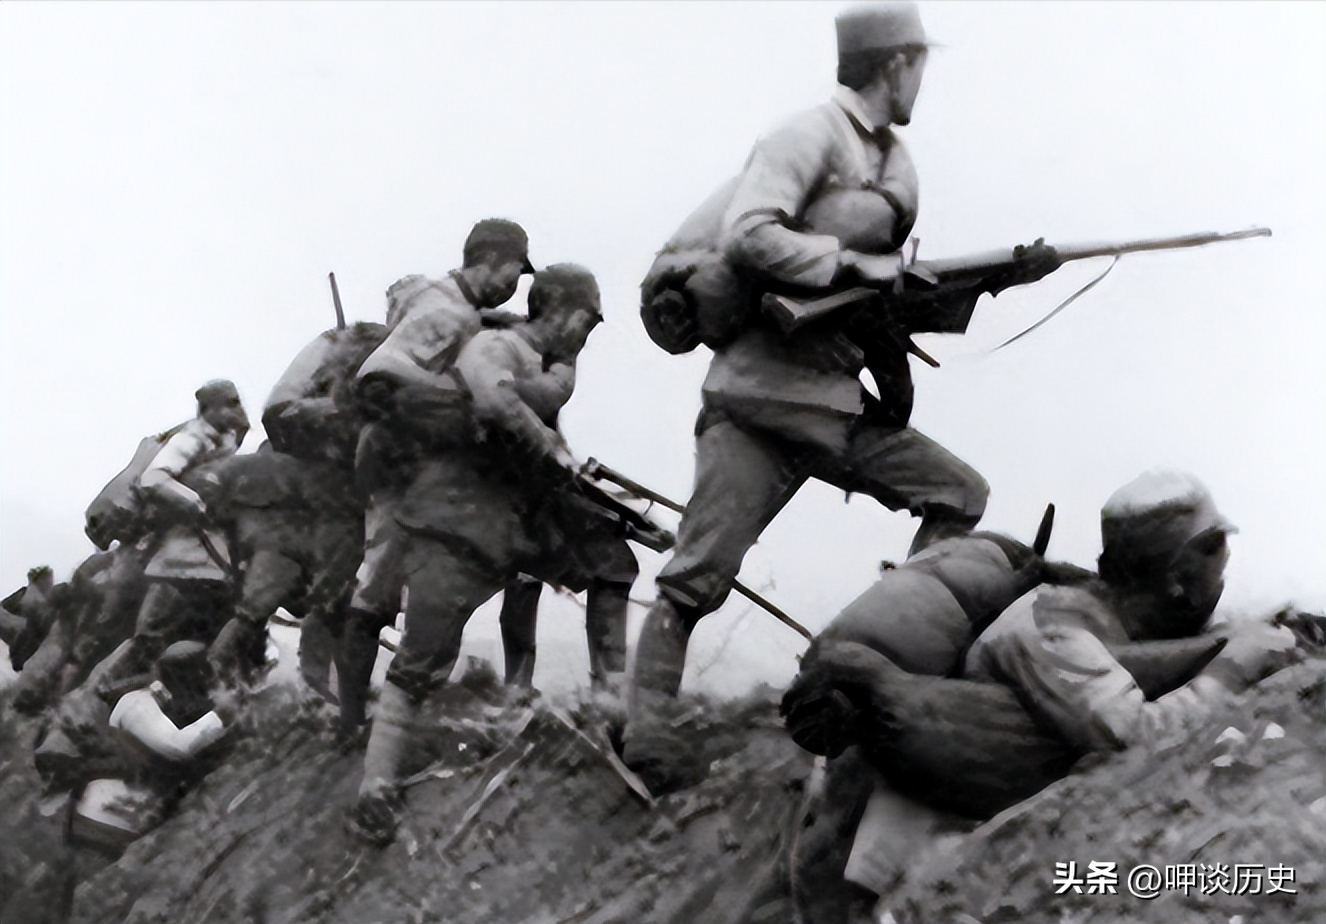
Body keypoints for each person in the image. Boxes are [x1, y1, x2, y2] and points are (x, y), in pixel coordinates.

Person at [622, 3, 1062, 788]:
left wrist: (998, 281)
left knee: (957, 496)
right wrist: (849, 263)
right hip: (757, 400)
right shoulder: (806, 137)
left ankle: (882, 669)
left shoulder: (893, 165)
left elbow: (882, 301)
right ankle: (648, 737)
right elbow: (750, 233)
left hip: (829, 400)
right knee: (694, 579)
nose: (922, 80)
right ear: (895, 64)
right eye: (919, 64)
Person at [782, 469, 1302, 923]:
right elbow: (1139, 739)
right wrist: (1233, 668)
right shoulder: (1052, 630)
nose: (1222, 585)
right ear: (1177, 582)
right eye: (1217, 569)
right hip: (907, 860)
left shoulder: (1105, 621)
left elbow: (1155, 662)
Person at [347, 263, 605, 845]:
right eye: (587, 321)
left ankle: (606, 704)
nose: (587, 334)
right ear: (566, 314)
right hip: (456, 522)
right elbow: (496, 405)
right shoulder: (493, 346)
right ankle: (374, 791)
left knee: (610, 566)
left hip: (503, 525)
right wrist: (553, 451)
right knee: (420, 659)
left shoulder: (530, 360)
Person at [337, 218, 536, 736]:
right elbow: (380, 372)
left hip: (407, 457)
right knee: (378, 589)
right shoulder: (446, 312)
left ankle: (370, 717)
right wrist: (463, 399)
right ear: (492, 260)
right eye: (515, 271)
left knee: (392, 585)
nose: (514, 284)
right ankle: (353, 723)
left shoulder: (446, 304)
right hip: (402, 458)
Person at [206, 321, 388, 697]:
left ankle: (318, 689)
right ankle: (218, 686)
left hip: (327, 514)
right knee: (261, 608)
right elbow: (279, 414)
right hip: (292, 515)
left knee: (324, 604)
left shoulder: (360, 409)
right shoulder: (322, 406)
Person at [86, 380, 250, 694]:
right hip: (178, 566)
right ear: (208, 409)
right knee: (147, 642)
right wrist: (197, 505)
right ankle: (103, 697)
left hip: (213, 567)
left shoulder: (226, 442)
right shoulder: (192, 439)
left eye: (237, 401)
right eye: (229, 403)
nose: (238, 408)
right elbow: (153, 479)